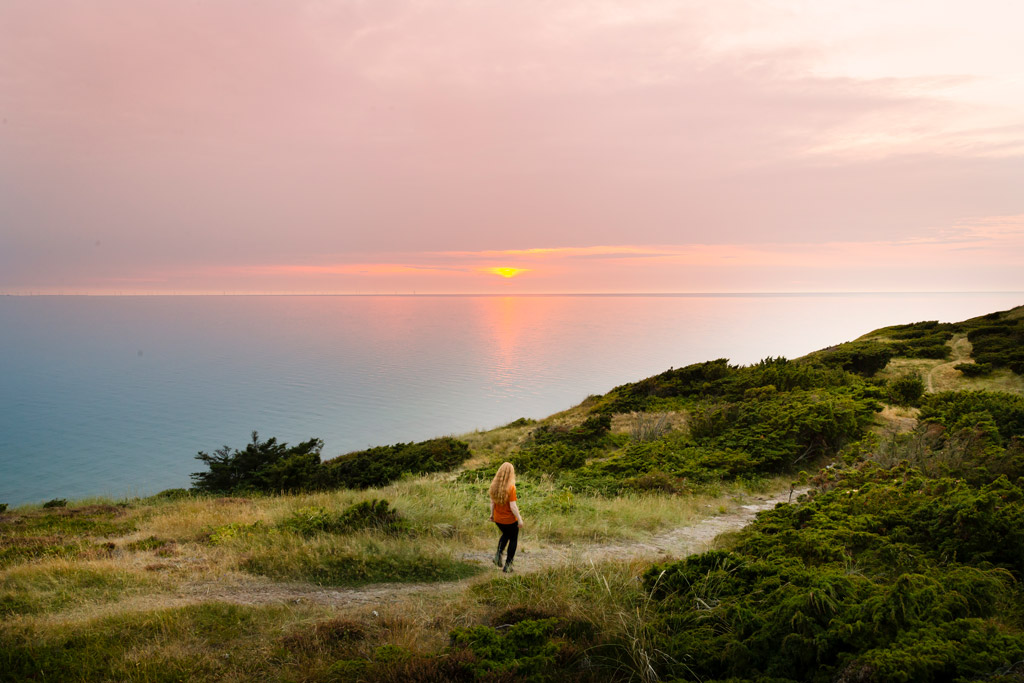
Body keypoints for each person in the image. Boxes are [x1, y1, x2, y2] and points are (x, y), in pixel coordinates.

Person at [488, 461, 524, 573]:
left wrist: (492, 515)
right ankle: (508, 566)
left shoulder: (493, 486)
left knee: (506, 534)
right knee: (513, 539)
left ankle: (498, 555)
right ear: (511, 473)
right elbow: (513, 506)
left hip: (498, 519)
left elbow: (492, 503)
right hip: (509, 520)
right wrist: (519, 519)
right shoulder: (511, 488)